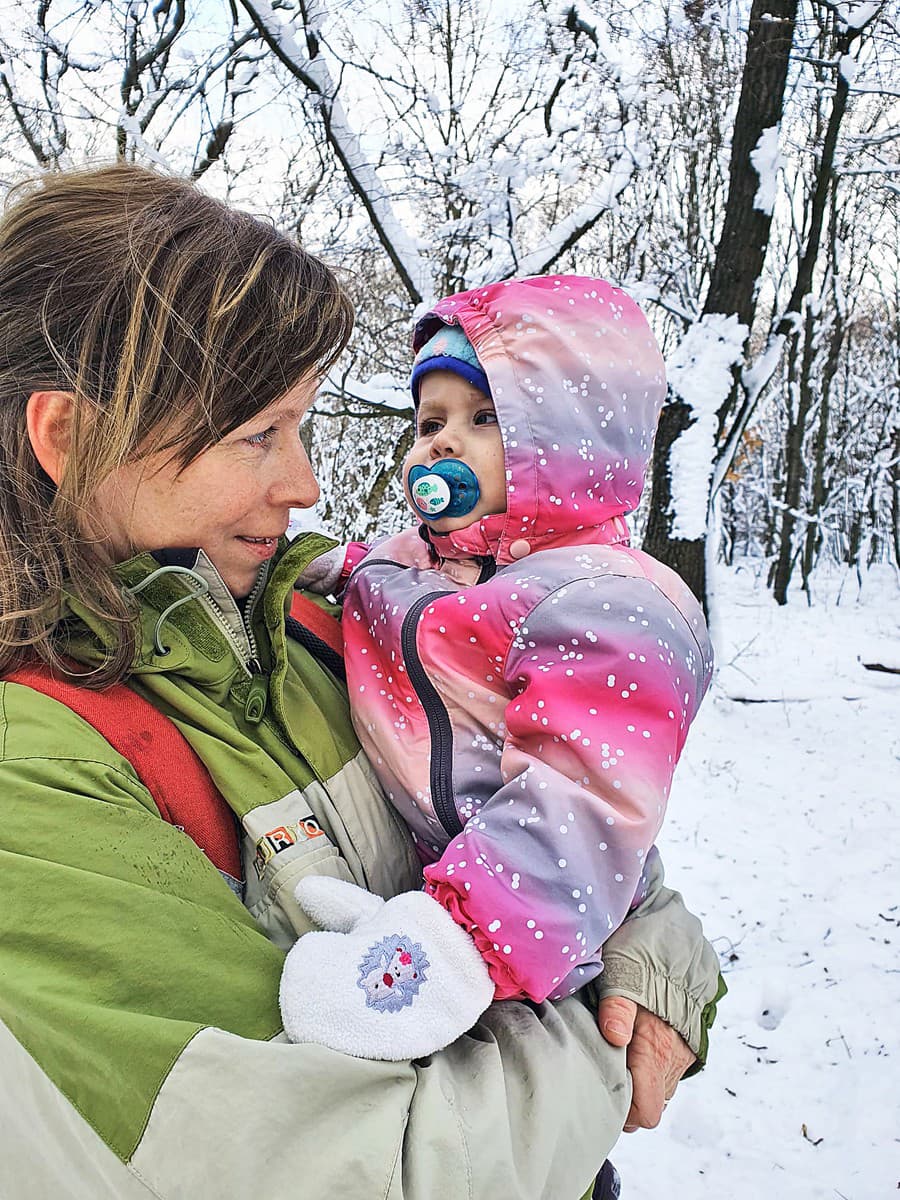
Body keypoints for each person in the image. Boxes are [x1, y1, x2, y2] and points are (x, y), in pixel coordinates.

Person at [0, 164, 723, 1200]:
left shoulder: (315, 622)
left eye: (302, 424)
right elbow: (396, 1170)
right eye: (258, 433)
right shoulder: (34, 768)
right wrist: (604, 1018)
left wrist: (650, 927)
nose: (305, 486)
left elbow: (541, 807)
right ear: (67, 438)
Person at [280, 277, 714, 1074]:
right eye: (431, 422)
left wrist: (454, 943)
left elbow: (577, 806)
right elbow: (386, 577)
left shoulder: (607, 605)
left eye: (486, 419)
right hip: (439, 874)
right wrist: (334, 568)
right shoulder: (425, 562)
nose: (442, 442)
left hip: (520, 924)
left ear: (575, 442)